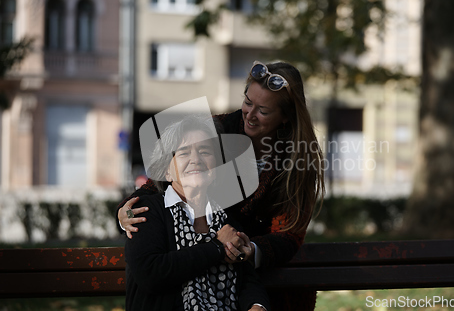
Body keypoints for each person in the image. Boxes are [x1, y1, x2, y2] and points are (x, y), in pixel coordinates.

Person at [119, 61, 325, 310]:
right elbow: (166, 176)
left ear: (285, 117)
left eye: (263, 111)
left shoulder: (299, 159)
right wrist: (124, 213)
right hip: (201, 256)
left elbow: (289, 234)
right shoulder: (219, 130)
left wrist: (251, 250)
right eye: (248, 102)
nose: (250, 114)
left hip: (254, 267)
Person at [126, 115, 270, 311]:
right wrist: (217, 247)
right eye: (184, 153)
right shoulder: (147, 211)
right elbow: (149, 273)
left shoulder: (227, 220)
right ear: (167, 171)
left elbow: (247, 280)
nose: (196, 159)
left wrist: (257, 305)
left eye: (204, 151)